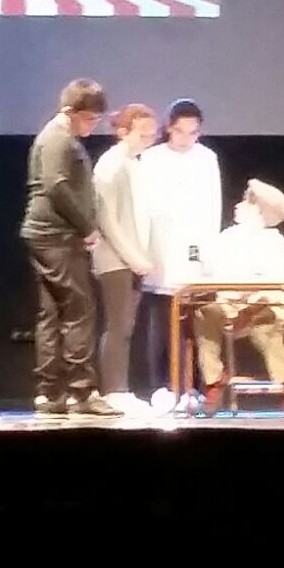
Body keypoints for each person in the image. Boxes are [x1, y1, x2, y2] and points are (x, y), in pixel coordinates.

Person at [20, 79, 120, 417]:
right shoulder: (57, 139)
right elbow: (57, 186)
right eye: (89, 118)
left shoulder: (59, 138)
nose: (92, 126)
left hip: (49, 235)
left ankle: (50, 393)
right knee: (80, 310)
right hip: (57, 236)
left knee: (52, 314)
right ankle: (82, 391)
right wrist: (87, 227)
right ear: (70, 111)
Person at [137, 99, 222, 408]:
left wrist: (208, 252)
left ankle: (193, 387)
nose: (186, 138)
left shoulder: (206, 158)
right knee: (161, 321)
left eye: (193, 132)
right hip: (161, 248)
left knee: (196, 323)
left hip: (195, 249)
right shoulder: (151, 158)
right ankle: (161, 386)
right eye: (180, 131)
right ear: (169, 128)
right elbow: (143, 207)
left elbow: (213, 206)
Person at [192, 179, 284, 411]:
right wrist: (196, 254)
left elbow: (277, 279)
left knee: (264, 323)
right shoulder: (228, 237)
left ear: (260, 211)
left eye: (246, 202)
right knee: (205, 313)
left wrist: (253, 301)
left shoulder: (273, 241)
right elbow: (209, 268)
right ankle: (214, 380)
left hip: (263, 304)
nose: (238, 205)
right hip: (230, 305)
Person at [91, 103, 157, 415]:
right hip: (115, 259)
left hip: (132, 259)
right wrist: (133, 257)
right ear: (122, 131)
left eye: (152, 134)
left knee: (126, 326)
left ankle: (122, 388)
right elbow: (107, 219)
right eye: (142, 133)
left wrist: (143, 256)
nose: (148, 139)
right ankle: (113, 390)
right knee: (117, 325)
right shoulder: (111, 165)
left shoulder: (134, 164)